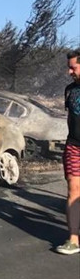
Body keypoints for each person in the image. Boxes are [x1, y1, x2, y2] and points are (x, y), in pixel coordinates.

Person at [56, 48, 80, 255]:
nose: (69, 72)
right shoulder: (69, 90)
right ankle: (73, 239)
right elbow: (71, 118)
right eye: (69, 68)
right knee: (73, 189)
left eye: (73, 68)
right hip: (74, 146)